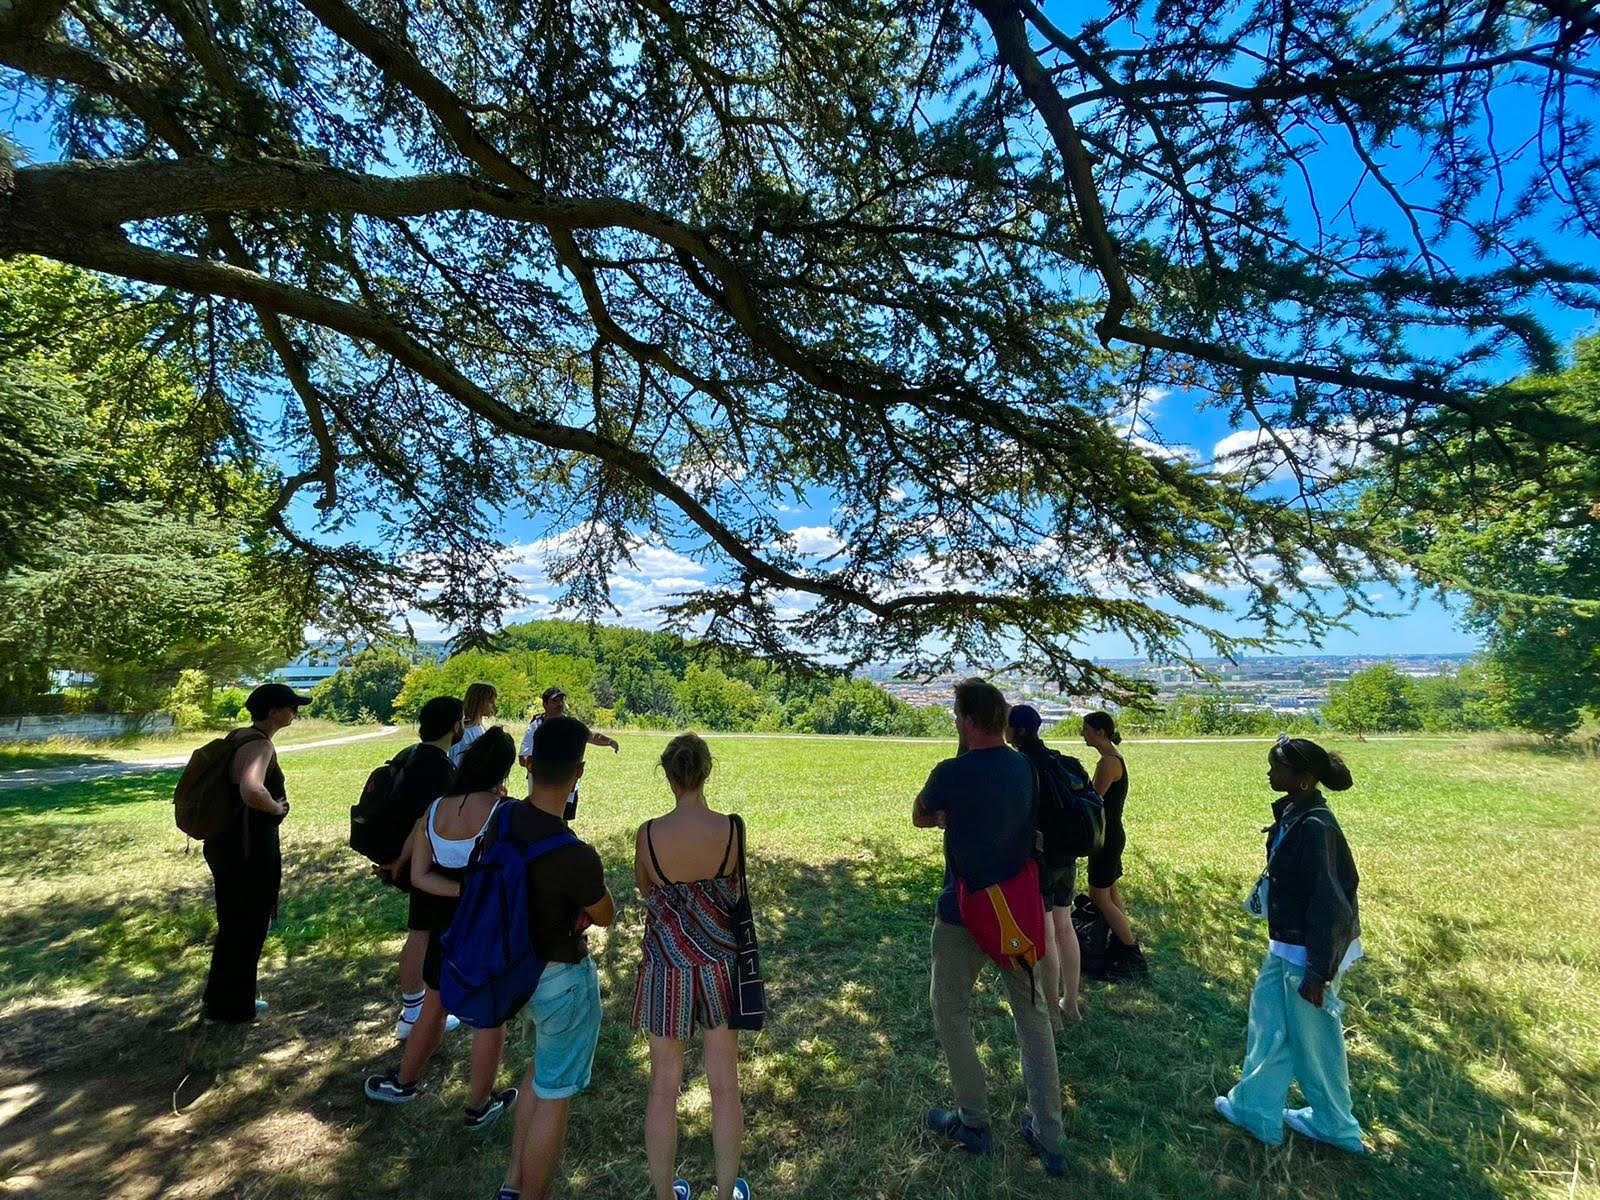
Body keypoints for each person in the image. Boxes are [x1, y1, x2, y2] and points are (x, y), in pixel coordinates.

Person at [912, 678, 1067, 1178]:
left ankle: (973, 1121)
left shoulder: (951, 772)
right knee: (1033, 1016)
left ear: (969, 722)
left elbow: (920, 814)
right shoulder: (1022, 766)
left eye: (958, 715)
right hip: (1018, 911)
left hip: (962, 909)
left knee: (950, 1009)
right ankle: (1049, 1132)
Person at [364, 727, 520, 1131]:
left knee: (433, 1004)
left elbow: (419, 877)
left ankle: (404, 1081)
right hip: (485, 929)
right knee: (491, 1016)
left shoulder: (434, 810)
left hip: (442, 926)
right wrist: (475, 892)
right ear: (503, 770)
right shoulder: (504, 812)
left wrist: (456, 889)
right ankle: (478, 1105)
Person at [1215, 736, 1366, 1154]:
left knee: (1315, 1043)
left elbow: (1331, 903)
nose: (1268, 773)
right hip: (1289, 947)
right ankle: (1256, 1109)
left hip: (1309, 955)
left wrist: (1319, 973)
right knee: (1269, 1026)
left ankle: (1336, 1125)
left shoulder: (1316, 827)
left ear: (1301, 780)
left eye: (1275, 768)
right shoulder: (1297, 815)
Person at [499, 716, 616, 1200]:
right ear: (579, 771)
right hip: (559, 979)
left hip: (510, 972)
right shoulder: (575, 853)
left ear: (527, 762)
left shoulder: (500, 818)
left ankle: (512, 1182)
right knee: (555, 1094)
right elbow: (605, 913)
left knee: (538, 1071)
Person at [632, 733, 750, 1200]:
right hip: (721, 964)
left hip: (667, 966)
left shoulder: (648, 834)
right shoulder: (732, 830)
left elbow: (645, 887)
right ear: (707, 770)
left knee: (663, 1089)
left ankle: (665, 1194)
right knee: (725, 1086)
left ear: (667, 774)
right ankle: (725, 1192)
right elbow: (735, 884)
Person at [202, 682, 308, 1023]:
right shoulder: (259, 746)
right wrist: (277, 809)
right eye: (291, 707)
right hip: (248, 850)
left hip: (227, 845)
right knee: (247, 927)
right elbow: (251, 789)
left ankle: (223, 1000)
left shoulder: (239, 737)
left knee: (234, 925)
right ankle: (233, 1007)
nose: (295, 712)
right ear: (274, 711)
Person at [376, 695, 466, 1040]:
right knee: (423, 935)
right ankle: (414, 1012)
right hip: (425, 864)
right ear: (454, 726)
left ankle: (420, 1006)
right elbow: (424, 821)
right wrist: (401, 861)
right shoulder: (438, 768)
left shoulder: (411, 756)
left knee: (424, 932)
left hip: (412, 859)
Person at [1005, 704, 1082, 1027]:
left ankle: (1052, 1012)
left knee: (1047, 933)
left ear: (1020, 731)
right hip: (1069, 853)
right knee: (1066, 927)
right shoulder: (1062, 760)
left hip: (1041, 858)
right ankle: (1072, 1004)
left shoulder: (1021, 766)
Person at [1081, 711, 1146, 978]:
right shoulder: (1112, 758)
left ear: (1100, 733)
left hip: (1106, 838)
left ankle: (1132, 953)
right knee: (1110, 893)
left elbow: (1092, 799)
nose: (1082, 733)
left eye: (1085, 729)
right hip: (1112, 834)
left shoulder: (1108, 762)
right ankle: (1122, 942)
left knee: (1099, 896)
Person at [518, 686, 620, 818]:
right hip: (543, 785)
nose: (560, 704)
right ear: (545, 704)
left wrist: (609, 741)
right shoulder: (536, 726)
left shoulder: (571, 726)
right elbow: (523, 758)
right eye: (555, 701)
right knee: (541, 819)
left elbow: (591, 736)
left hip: (567, 783)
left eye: (561, 700)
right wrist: (545, 769)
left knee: (563, 820)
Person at [451, 681, 499, 766]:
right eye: (490, 702)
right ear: (479, 702)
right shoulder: (463, 733)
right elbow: (455, 764)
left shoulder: (480, 727)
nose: (494, 706)